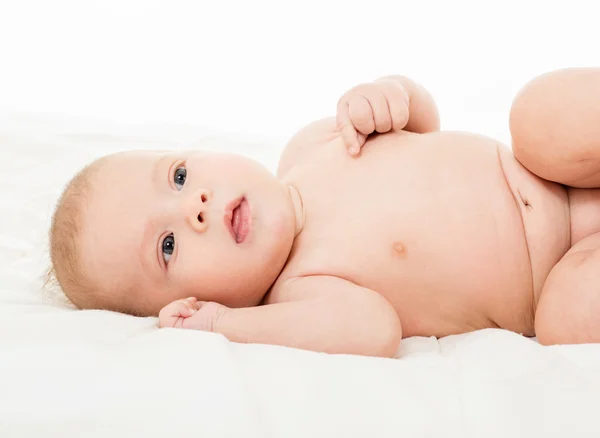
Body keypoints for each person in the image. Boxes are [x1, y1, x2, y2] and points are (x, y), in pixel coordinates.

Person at [48, 68, 600, 357]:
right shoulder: (299, 291)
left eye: (179, 176)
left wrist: (392, 93)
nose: (194, 208)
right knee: (564, 325)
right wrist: (227, 325)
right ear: (192, 303)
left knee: (538, 115)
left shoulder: (310, 146)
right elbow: (372, 330)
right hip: (563, 272)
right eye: (168, 246)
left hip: (558, 166)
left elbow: (425, 125)